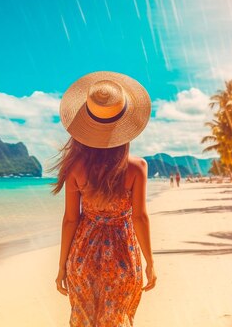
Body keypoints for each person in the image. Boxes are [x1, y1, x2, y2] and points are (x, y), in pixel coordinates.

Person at [51, 72, 156, 326]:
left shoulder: (75, 168)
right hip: (122, 257)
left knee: (84, 320)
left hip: (82, 257)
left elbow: (70, 220)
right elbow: (140, 217)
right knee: (117, 319)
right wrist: (150, 262)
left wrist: (62, 266)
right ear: (125, 125)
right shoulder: (137, 168)